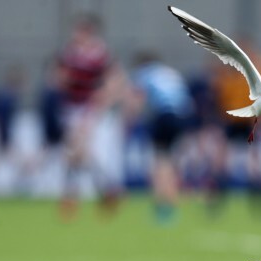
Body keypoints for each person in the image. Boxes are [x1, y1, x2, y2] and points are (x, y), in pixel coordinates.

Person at [53, 14, 119, 220]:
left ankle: (71, 198)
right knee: (79, 154)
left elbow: (111, 81)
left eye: (80, 32)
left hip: (88, 109)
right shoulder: (69, 52)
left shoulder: (99, 53)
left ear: (88, 33)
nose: (76, 35)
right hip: (71, 108)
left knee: (77, 151)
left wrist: (98, 105)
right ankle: (106, 191)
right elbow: (58, 77)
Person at [210, 39, 261, 209]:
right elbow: (219, 95)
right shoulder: (228, 70)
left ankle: (259, 194)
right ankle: (219, 194)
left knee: (255, 160)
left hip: (252, 119)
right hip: (233, 119)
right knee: (222, 158)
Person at [131, 51, 191, 224]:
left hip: (163, 116)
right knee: (171, 163)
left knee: (160, 162)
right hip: (182, 118)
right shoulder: (171, 73)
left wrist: (133, 119)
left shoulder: (144, 72)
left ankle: (162, 208)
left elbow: (138, 99)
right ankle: (172, 205)